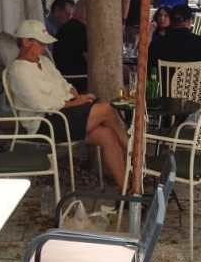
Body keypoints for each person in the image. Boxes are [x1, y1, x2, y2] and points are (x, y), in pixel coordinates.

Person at [8, 20, 128, 190]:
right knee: (108, 109)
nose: (44, 47)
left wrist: (74, 93)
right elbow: (40, 104)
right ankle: (133, 152)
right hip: (44, 123)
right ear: (26, 42)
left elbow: (62, 82)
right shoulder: (18, 70)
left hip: (63, 114)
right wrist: (75, 103)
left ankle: (128, 188)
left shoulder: (44, 61)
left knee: (106, 135)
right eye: (41, 43)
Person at [148, 4, 201, 71]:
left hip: (166, 80)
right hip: (193, 80)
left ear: (172, 21)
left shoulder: (157, 44)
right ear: (190, 21)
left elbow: (149, 70)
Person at [52, 0, 87, 92]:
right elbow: (91, 59)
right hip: (79, 81)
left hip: (64, 79)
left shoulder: (62, 28)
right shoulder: (81, 30)